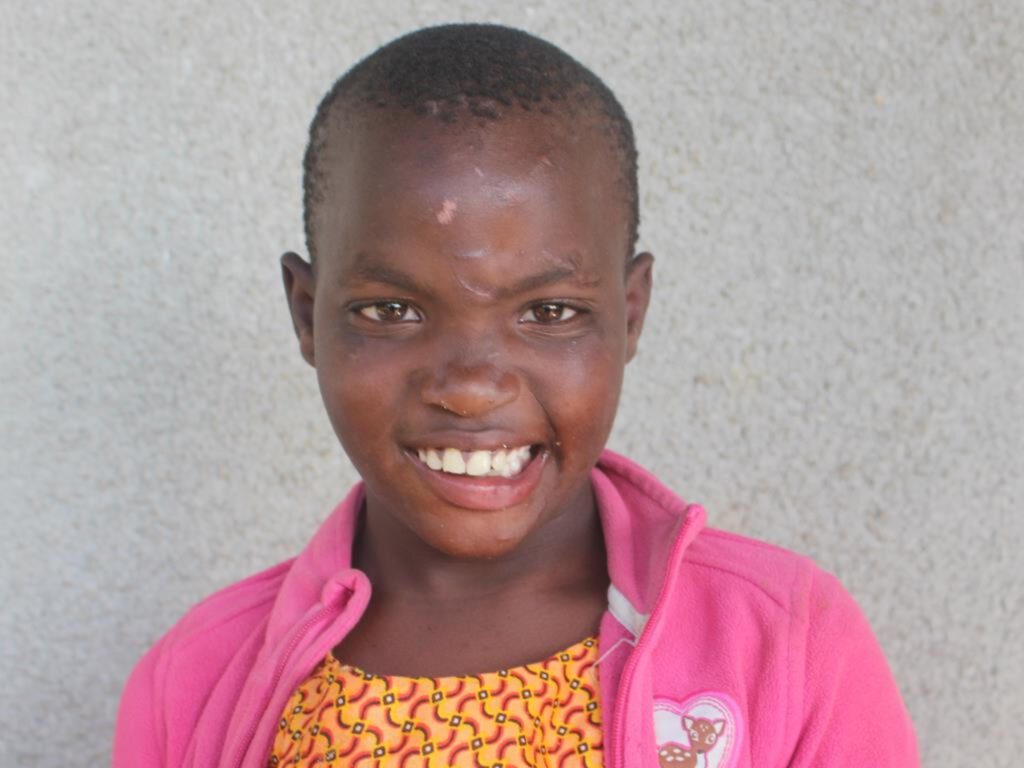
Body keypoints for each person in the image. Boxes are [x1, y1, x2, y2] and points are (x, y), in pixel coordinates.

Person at [113, 23, 918, 767]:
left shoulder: (783, 643)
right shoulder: (195, 679)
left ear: (629, 316)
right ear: (306, 315)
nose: (470, 390)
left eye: (550, 312)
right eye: (391, 311)